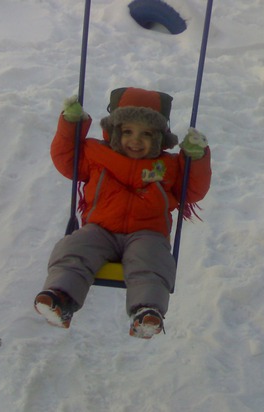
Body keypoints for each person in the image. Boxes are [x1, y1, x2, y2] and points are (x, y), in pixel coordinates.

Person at [34, 87, 211, 338]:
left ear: (159, 137)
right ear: (114, 131)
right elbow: (66, 159)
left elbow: (191, 191)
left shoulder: (169, 166)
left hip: (147, 234)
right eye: (127, 131)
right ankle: (61, 297)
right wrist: (71, 124)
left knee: (150, 261)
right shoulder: (96, 154)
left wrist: (196, 158)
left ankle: (147, 311)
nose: (135, 140)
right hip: (100, 230)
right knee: (75, 248)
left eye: (146, 133)